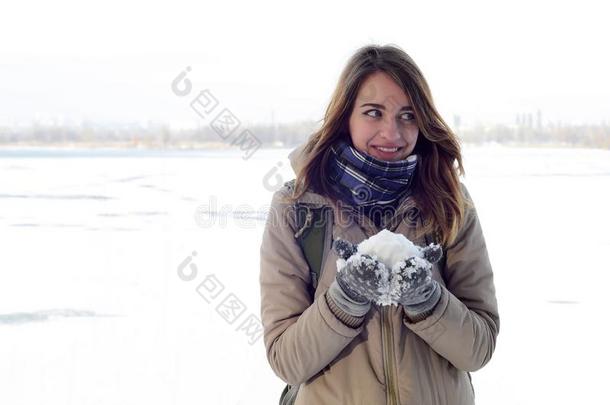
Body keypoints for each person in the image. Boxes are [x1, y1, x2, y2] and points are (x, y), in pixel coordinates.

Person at [259, 44, 499, 405]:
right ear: (346, 117)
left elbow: (478, 349)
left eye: (408, 115)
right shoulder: (298, 208)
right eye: (374, 113)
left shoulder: (450, 203)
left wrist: (427, 300)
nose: (393, 133)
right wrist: (346, 298)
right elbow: (287, 360)